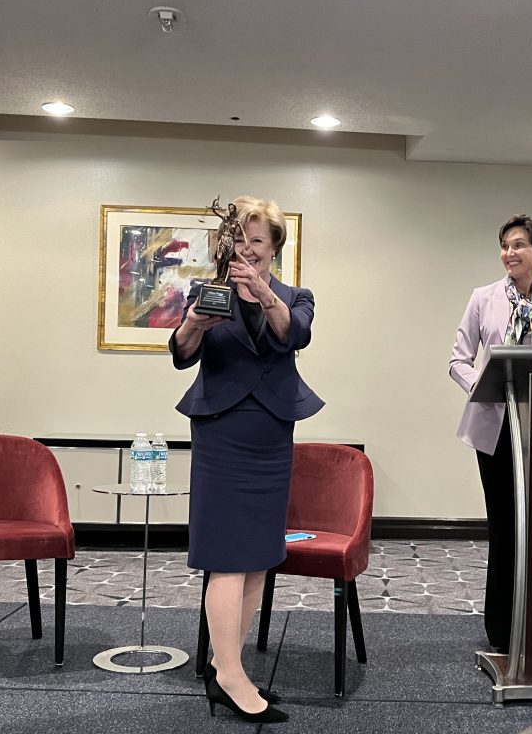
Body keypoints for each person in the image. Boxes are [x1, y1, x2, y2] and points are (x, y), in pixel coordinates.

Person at [169, 195, 323, 724]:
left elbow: (293, 336)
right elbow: (181, 353)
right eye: (241, 239)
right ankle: (231, 676)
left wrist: (263, 296)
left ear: (275, 246)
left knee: (257, 555)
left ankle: (223, 665)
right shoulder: (207, 293)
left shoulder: (295, 296)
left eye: (258, 240)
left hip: (270, 436)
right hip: (222, 433)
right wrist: (195, 324)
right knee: (227, 556)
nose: (248, 249)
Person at [448, 214, 532, 653]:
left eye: (519, 245)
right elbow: (458, 359)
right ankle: (502, 629)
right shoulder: (483, 298)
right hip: (496, 425)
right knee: (506, 526)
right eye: (504, 245)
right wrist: (481, 385)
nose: (509, 253)